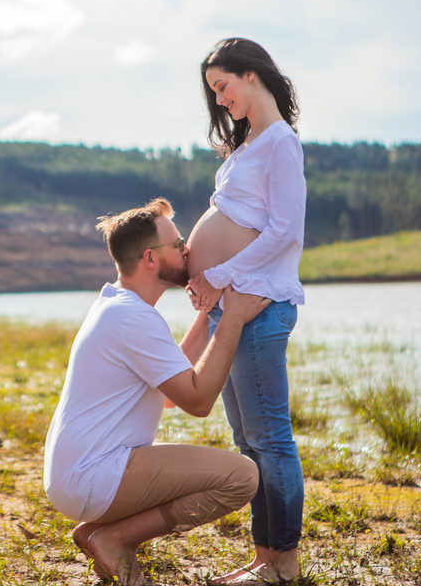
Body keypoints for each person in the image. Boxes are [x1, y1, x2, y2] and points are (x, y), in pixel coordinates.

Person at [44, 197, 271, 586]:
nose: (187, 250)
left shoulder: (118, 305)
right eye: (178, 243)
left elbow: (167, 395)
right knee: (242, 477)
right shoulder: (134, 318)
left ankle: (97, 532)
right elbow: (197, 401)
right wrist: (232, 319)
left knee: (231, 473)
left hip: (78, 477)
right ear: (150, 258)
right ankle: (115, 538)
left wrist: (208, 317)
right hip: (91, 477)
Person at [181, 38, 307, 584]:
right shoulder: (248, 144)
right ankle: (262, 558)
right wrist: (208, 282)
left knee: (270, 438)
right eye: (213, 91)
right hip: (231, 307)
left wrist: (218, 274)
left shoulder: (280, 142)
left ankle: (284, 562)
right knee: (248, 441)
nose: (219, 99)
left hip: (255, 304)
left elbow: (285, 231)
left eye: (222, 86)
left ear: (251, 75)